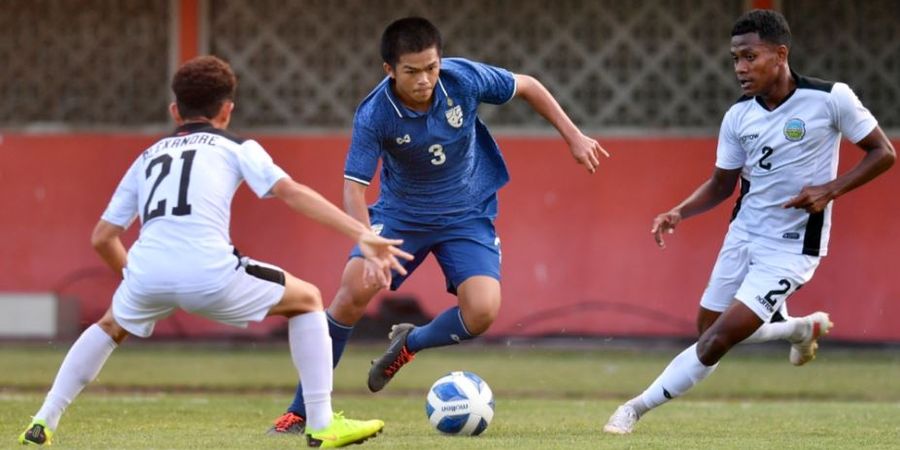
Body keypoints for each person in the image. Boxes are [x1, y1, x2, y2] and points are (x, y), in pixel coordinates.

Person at [18, 55, 414, 448]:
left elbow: (103, 237)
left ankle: (42, 422)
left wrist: (137, 283)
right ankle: (322, 423)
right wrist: (361, 234)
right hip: (210, 272)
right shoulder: (237, 147)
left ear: (175, 110)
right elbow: (291, 193)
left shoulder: (147, 157)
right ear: (228, 109)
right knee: (308, 299)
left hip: (146, 271)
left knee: (108, 326)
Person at [267, 16, 609, 434]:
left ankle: (409, 344)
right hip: (400, 217)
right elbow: (353, 190)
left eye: (431, 67)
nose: (425, 79)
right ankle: (300, 411)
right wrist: (369, 242)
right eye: (412, 71)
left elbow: (529, 85)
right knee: (352, 293)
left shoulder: (462, 78)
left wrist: (574, 136)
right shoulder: (376, 115)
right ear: (389, 70)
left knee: (482, 312)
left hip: (467, 212)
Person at [603, 9, 895, 434]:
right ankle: (799, 327)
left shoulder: (831, 98)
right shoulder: (738, 117)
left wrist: (829, 189)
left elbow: (883, 152)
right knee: (708, 329)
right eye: (735, 59)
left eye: (749, 57)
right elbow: (723, 185)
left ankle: (632, 409)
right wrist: (679, 211)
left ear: (780, 54)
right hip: (743, 236)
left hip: (792, 248)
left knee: (715, 341)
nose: (740, 68)